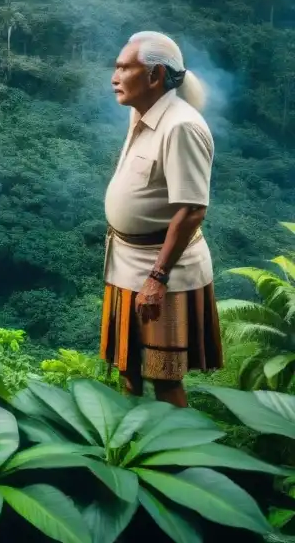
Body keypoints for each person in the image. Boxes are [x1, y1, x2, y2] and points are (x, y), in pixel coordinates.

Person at [99, 30, 223, 407]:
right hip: (124, 262)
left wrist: (157, 278)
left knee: (163, 376)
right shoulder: (143, 114)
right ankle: (132, 447)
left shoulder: (181, 126)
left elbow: (192, 209)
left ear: (154, 76)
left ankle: (176, 461)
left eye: (124, 68)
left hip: (161, 271)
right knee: (128, 368)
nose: (114, 77)